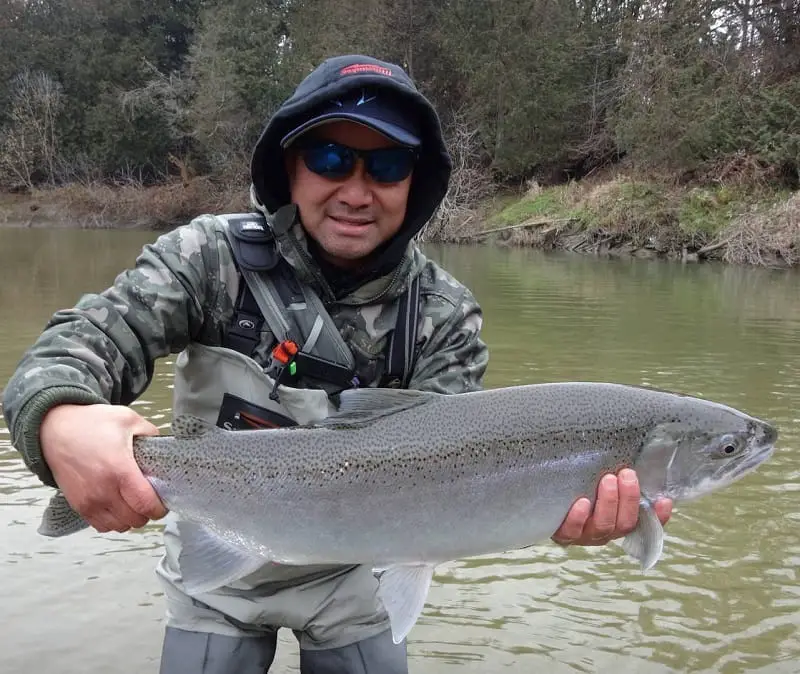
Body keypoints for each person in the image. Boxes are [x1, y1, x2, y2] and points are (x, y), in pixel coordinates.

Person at [2, 54, 672, 674]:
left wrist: (549, 505)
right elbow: (74, 347)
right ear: (289, 167)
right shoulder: (206, 258)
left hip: (359, 574)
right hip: (217, 555)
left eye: (385, 168)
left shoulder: (443, 313)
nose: (357, 190)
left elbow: (463, 472)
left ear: (416, 183)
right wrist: (60, 420)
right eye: (330, 158)